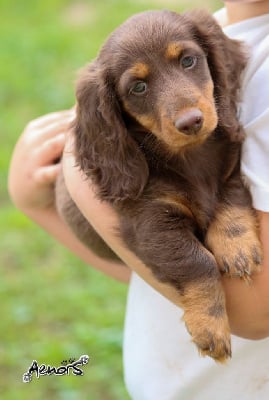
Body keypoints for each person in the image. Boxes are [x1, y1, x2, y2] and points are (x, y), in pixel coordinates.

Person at [8, 0, 269, 399]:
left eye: (187, 63)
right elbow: (140, 269)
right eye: (140, 87)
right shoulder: (215, 27)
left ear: (216, 63)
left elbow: (253, 312)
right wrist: (37, 205)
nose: (186, 112)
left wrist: (75, 171)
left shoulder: (254, 72)